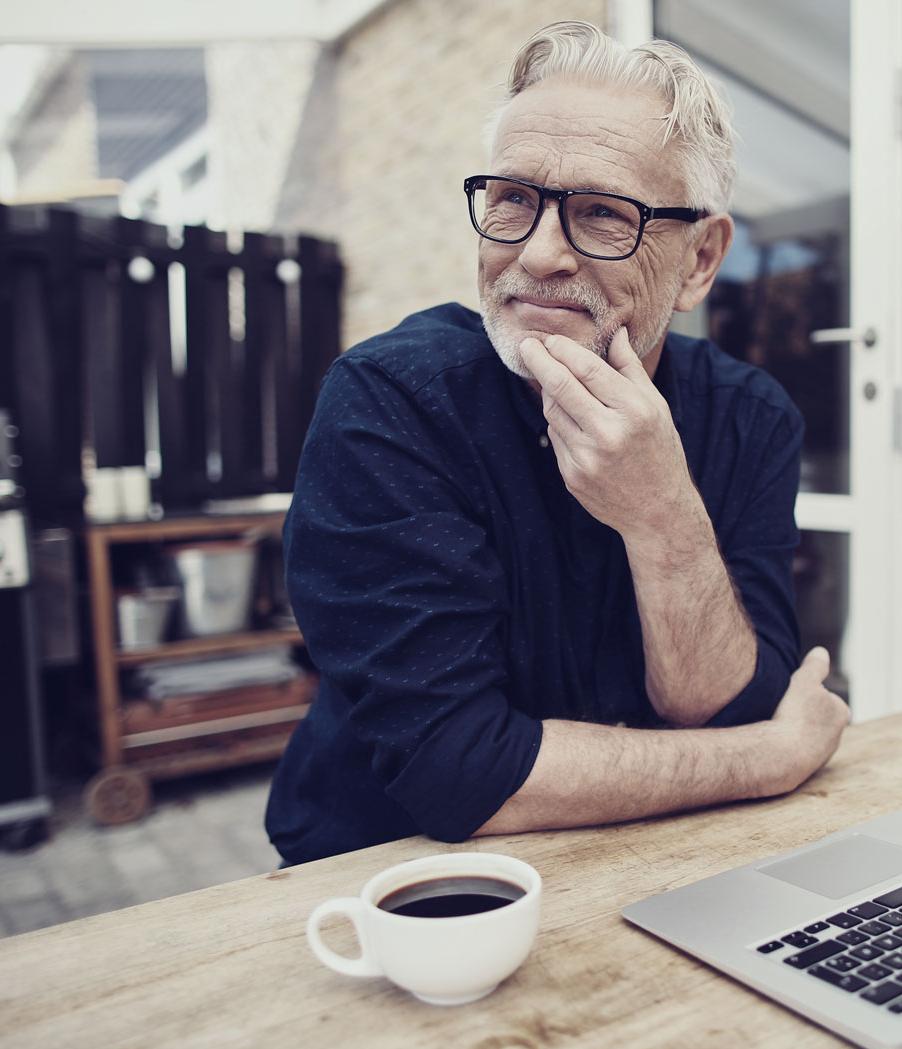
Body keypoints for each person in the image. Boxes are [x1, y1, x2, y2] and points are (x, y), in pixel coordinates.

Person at [265, 20, 850, 865]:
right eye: (512, 198)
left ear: (698, 260)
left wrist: (664, 518)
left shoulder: (750, 415)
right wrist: (771, 757)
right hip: (395, 886)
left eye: (602, 214)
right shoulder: (392, 403)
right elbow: (457, 770)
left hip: (661, 858)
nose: (537, 254)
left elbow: (727, 705)